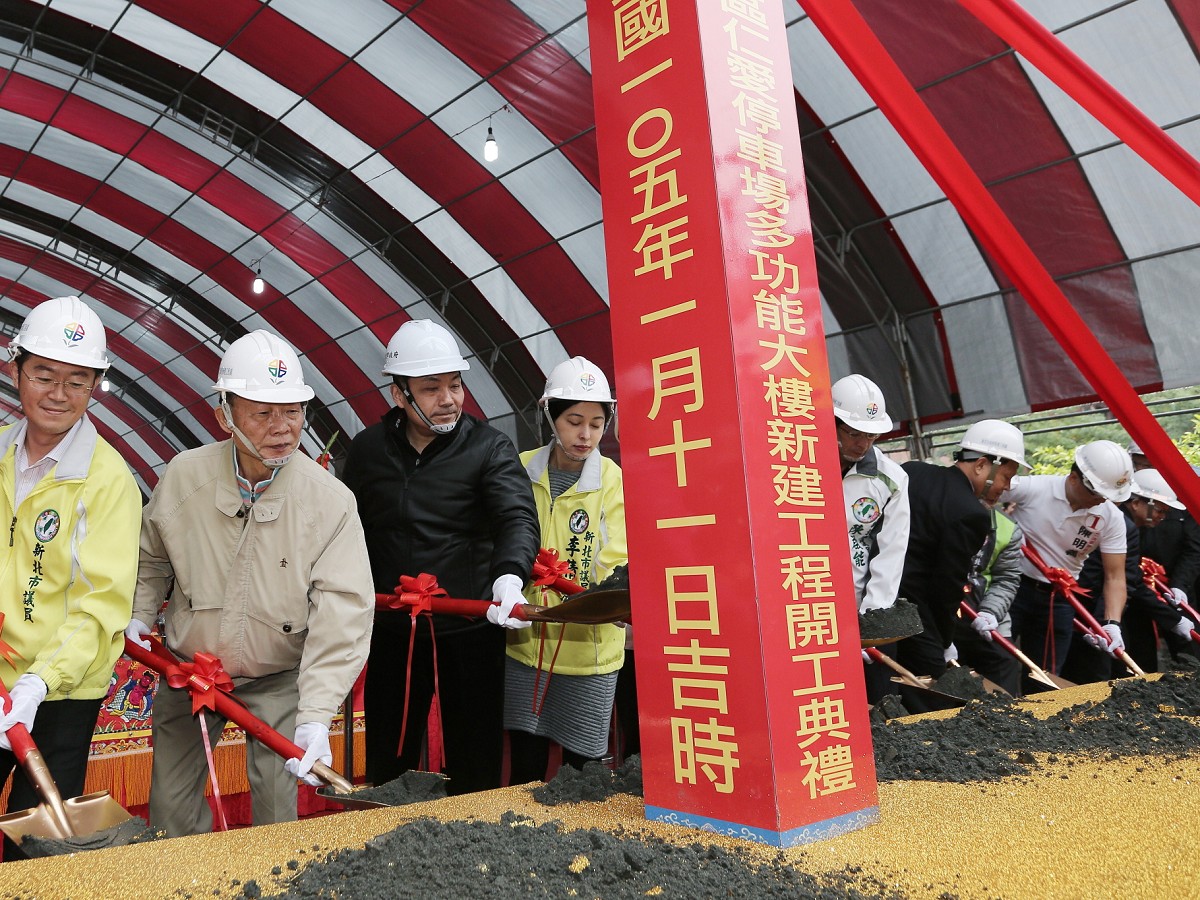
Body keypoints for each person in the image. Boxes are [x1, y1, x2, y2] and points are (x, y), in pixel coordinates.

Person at [128, 330, 374, 837]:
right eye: (263, 413)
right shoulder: (184, 477)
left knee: (276, 802)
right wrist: (138, 611)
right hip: (191, 671)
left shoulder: (330, 501)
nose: (282, 429)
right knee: (170, 805)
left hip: (278, 675)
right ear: (225, 415)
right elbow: (149, 557)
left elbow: (343, 614)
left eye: (293, 412)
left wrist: (316, 710)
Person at [343, 320, 539, 795]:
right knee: (391, 751)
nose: (448, 399)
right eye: (431, 389)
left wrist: (510, 576)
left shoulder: (488, 447)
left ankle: (478, 840)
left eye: (455, 385)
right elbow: (345, 529)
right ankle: (387, 837)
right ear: (399, 395)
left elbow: (517, 517)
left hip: (470, 629)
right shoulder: (368, 451)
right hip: (395, 631)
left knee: (475, 753)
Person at [0, 296, 141, 857]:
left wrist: (38, 683)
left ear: (94, 387)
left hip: (60, 691)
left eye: (78, 381)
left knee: (36, 846)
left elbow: (101, 605)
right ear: (16, 371)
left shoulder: (107, 481)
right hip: (1, 670)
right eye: (44, 374)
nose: (59, 394)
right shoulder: (1, 455)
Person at [505, 357, 627, 784]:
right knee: (525, 761)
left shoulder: (613, 480)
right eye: (574, 421)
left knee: (582, 768)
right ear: (549, 414)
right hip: (527, 643)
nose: (586, 435)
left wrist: (588, 599)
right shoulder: (520, 469)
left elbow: (617, 560)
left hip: (589, 649)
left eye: (596, 423)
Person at [892, 419, 1027, 702]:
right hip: (916, 618)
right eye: (1006, 477)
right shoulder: (971, 513)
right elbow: (947, 585)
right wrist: (944, 641)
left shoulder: (911, 471)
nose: (1007, 487)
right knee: (929, 698)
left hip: (874, 604)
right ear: (981, 465)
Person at [1005, 440, 1133, 689]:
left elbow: (1115, 577)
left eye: (1106, 496)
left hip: (1058, 599)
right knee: (998, 658)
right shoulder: (1034, 489)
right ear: (1074, 478)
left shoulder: (1111, 518)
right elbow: (984, 491)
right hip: (1012, 587)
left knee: (1046, 676)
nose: (1101, 501)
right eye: (1096, 493)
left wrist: (1112, 623)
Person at [1066, 469, 1195, 681]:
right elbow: (1127, 581)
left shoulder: (1134, 526)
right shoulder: (1122, 527)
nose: (1163, 518)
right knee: (1098, 675)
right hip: (1085, 605)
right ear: (1136, 503)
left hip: (1098, 609)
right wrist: (1173, 619)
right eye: (1160, 511)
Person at [830, 375, 910, 703]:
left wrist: (872, 625)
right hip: (798, 604)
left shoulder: (890, 480)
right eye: (854, 433)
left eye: (871, 434)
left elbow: (891, 554)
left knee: (869, 703)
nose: (863, 443)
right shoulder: (791, 466)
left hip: (857, 606)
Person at [953, 507, 1025, 696]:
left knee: (1004, 667)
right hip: (945, 615)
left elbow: (1007, 577)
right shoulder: (945, 510)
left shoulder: (1007, 527)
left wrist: (991, 611)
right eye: (1003, 478)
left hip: (987, 618)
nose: (1005, 486)